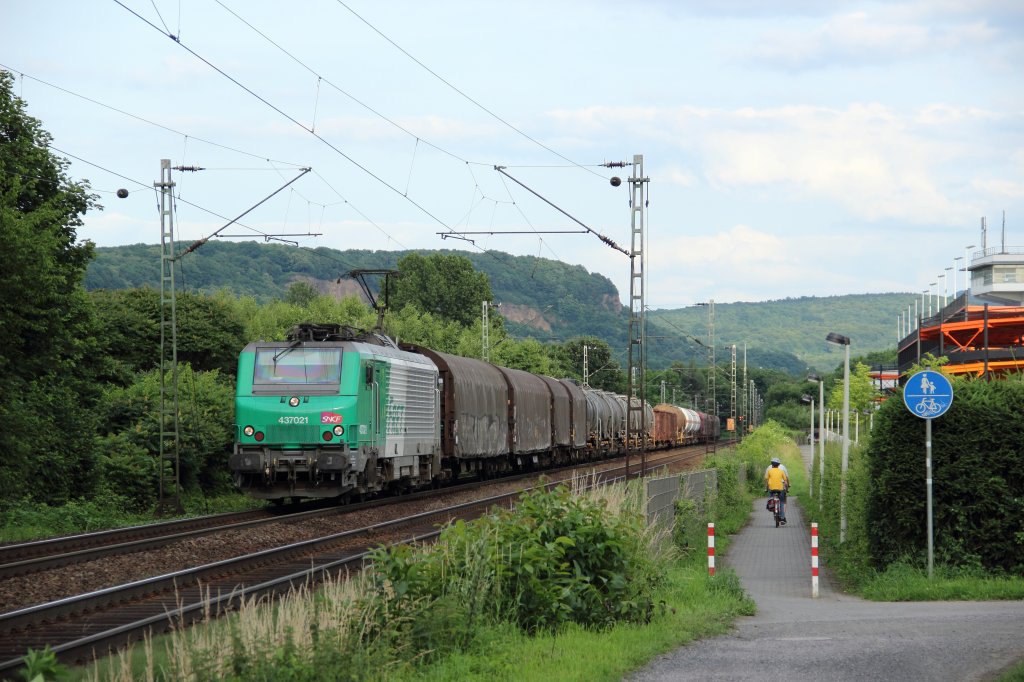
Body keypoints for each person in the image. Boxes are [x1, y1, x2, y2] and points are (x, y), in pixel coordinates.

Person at [764, 457, 789, 524]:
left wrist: (766, 488)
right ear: (778, 465)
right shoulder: (781, 471)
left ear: (772, 465)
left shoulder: (769, 471)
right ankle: (783, 518)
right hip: (780, 489)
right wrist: (786, 488)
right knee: (781, 502)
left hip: (771, 488)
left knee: (771, 498)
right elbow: (785, 480)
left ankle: (770, 505)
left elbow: (766, 480)